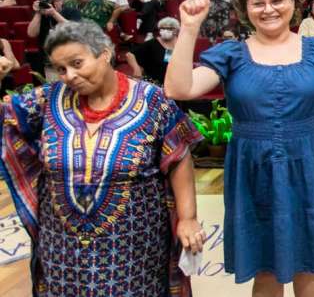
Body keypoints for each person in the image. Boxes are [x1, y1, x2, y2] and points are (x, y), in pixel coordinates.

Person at [166, 0, 314, 296]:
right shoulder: (231, 54)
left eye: (277, 1)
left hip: (308, 165)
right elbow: (178, 88)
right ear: (245, 8)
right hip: (252, 170)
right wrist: (188, 29)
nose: (268, 9)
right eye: (258, 3)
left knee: (309, 265)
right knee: (265, 269)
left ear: (293, 2)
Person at [0, 21, 203, 295]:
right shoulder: (47, 99)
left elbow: (178, 157)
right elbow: (5, 120)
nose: (69, 76)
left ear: (105, 54)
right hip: (61, 245)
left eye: (77, 63)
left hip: (135, 244)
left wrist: (188, 218)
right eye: (61, 69)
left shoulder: (151, 100)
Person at [26, 0, 81, 78]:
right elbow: (31, 34)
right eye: (49, 1)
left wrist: (54, 13)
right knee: (54, 85)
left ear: (63, 0)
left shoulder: (71, 11)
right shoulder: (41, 15)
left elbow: (73, 29)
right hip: (49, 59)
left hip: (71, 56)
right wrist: (38, 13)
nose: (52, 3)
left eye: (56, 0)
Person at [126, 16, 180, 85]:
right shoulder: (153, 43)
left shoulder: (180, 44)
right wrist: (136, 68)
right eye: (162, 28)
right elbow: (129, 55)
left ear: (176, 30)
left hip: (172, 81)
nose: (165, 30)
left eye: (169, 28)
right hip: (153, 82)